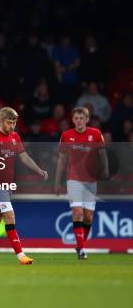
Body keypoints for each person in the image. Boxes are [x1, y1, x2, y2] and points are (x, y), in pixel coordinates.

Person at [0, 107, 48, 265]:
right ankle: (21, 256)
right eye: (9, 123)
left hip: (6, 185)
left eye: (14, 123)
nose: (12, 126)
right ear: (0, 121)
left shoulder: (15, 137)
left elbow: (24, 157)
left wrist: (38, 170)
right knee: (9, 216)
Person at [55, 107, 108, 260]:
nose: (78, 120)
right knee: (77, 213)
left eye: (81, 118)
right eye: (76, 118)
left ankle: (80, 245)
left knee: (88, 217)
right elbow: (62, 160)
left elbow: (102, 154)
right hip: (73, 180)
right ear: (73, 120)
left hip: (91, 180)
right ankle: (83, 250)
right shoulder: (66, 135)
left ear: (86, 119)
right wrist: (57, 182)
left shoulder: (96, 134)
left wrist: (105, 170)